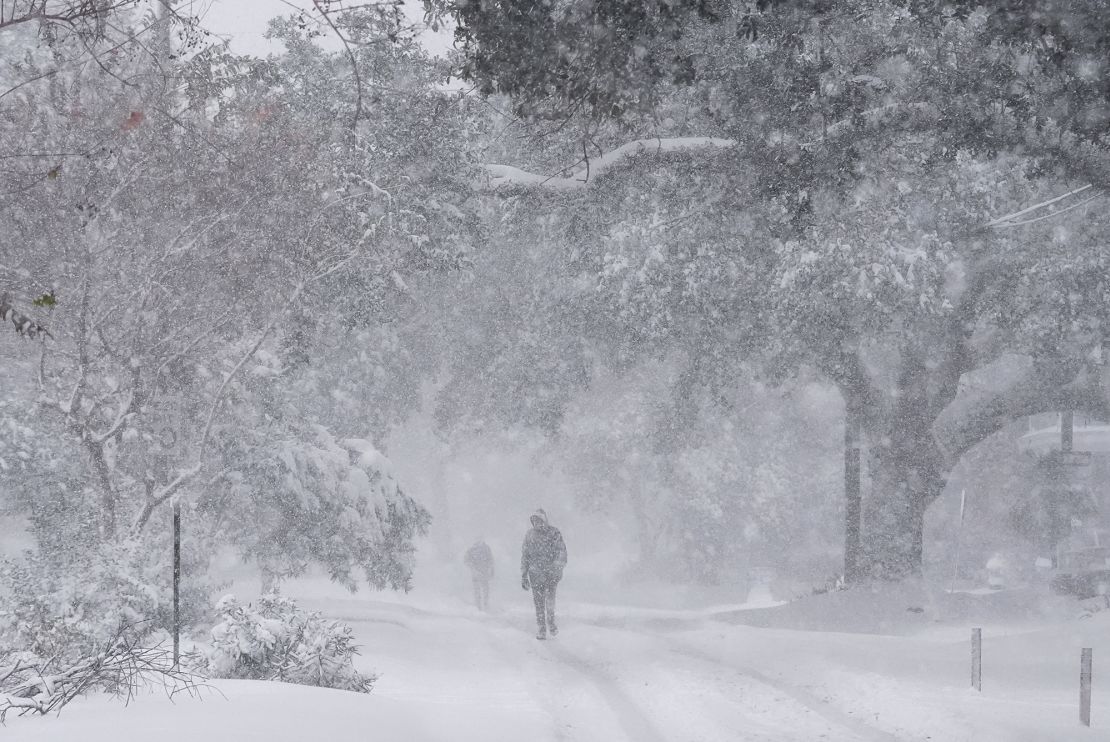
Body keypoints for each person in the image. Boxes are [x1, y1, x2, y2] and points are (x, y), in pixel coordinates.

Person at [520, 509, 567, 640]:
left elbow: (562, 552)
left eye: (539, 520)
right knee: (538, 603)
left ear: (544, 520)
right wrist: (524, 574)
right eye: (534, 520)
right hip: (535, 575)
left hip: (551, 575)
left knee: (550, 600)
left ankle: (551, 623)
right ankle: (541, 628)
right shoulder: (529, 535)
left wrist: (557, 569)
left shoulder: (554, 533)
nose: (536, 523)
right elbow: (525, 556)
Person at [464, 538, 495, 611]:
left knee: (481, 590)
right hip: (480, 573)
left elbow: (491, 560)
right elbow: (491, 560)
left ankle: (482, 606)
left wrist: (472, 567)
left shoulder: (475, 549)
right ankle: (481, 606)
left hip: (481, 573)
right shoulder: (476, 549)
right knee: (482, 590)